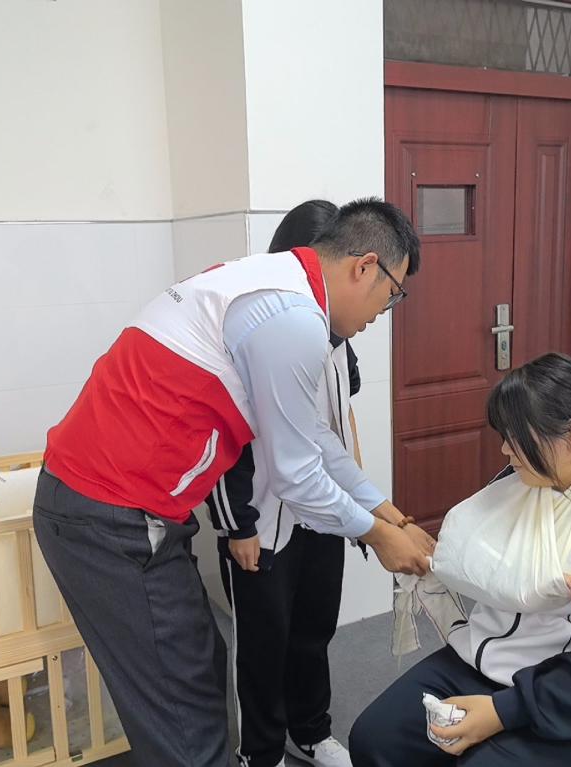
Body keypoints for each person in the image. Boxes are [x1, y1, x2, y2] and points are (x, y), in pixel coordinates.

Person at [33, 198, 434, 766]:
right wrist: (378, 535)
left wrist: (384, 509)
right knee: (185, 706)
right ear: (364, 266)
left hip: (126, 505)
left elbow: (315, 437)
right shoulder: (293, 318)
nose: (383, 313)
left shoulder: (267, 285)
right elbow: (297, 475)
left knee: (198, 668)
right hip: (112, 512)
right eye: (392, 294)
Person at [349, 353, 571, 767]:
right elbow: (481, 560)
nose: (505, 449)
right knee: (374, 739)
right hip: (485, 664)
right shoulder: (520, 481)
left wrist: (502, 712)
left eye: (516, 438)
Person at [208, 201, 415, 767]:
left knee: (313, 629)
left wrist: (370, 504)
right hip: (262, 520)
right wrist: (237, 525)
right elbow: (223, 440)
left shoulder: (336, 333)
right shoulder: (266, 327)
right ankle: (261, 751)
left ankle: (311, 731)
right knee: (262, 644)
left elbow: (333, 427)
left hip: (322, 510)